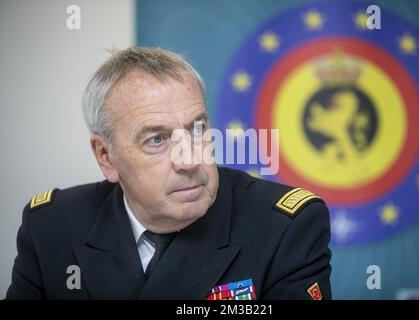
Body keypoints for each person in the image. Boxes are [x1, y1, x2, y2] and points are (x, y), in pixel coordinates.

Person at [6, 47, 331, 300]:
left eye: (197, 129)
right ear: (106, 156)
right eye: (157, 139)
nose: (189, 159)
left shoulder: (284, 228)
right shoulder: (51, 226)